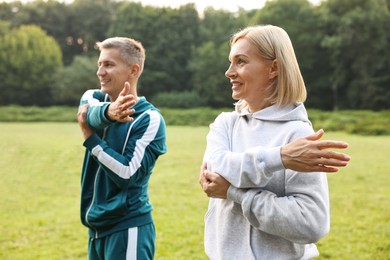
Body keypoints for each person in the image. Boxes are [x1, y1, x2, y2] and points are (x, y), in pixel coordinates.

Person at [198, 25, 351, 259]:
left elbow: (312, 223)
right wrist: (280, 158)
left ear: (273, 68)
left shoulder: (298, 135)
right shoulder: (225, 124)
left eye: (241, 61)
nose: (229, 72)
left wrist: (234, 193)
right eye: (231, 62)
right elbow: (214, 171)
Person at [77, 37, 167, 260]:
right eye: (99, 64)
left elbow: (128, 173)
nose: (100, 72)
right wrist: (110, 113)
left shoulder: (149, 118)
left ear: (133, 70)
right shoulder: (92, 96)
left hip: (128, 228)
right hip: (96, 228)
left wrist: (89, 136)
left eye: (108, 64)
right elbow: (87, 113)